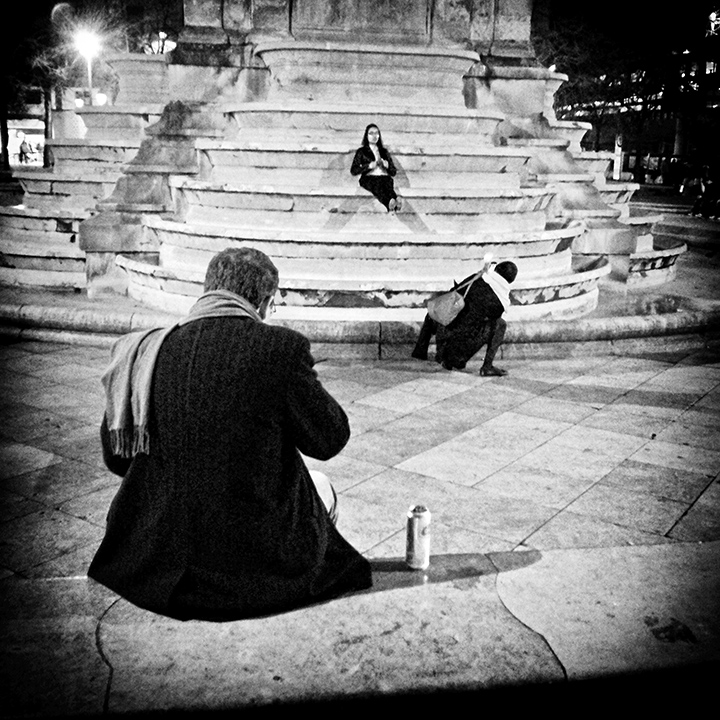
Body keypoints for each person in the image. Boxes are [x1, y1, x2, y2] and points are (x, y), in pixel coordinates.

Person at [88, 247, 372, 621]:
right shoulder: (280, 348)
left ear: (208, 289)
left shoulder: (144, 351)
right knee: (321, 487)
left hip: (153, 559)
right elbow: (329, 439)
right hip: (251, 565)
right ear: (266, 301)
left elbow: (117, 459)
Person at [412, 259, 518, 377]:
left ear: (496, 269)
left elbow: (453, 293)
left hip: (442, 338)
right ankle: (487, 367)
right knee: (499, 324)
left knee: (446, 303)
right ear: (510, 281)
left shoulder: (476, 278)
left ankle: (420, 350)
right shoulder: (500, 301)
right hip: (455, 355)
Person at [350, 123, 402, 212]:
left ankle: (395, 201)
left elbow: (393, 172)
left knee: (387, 184)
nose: (374, 136)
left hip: (384, 177)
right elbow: (354, 170)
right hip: (369, 178)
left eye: (377, 133)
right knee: (379, 187)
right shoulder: (362, 151)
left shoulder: (384, 151)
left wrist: (387, 166)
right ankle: (390, 202)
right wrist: (369, 166)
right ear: (366, 136)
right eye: (371, 133)